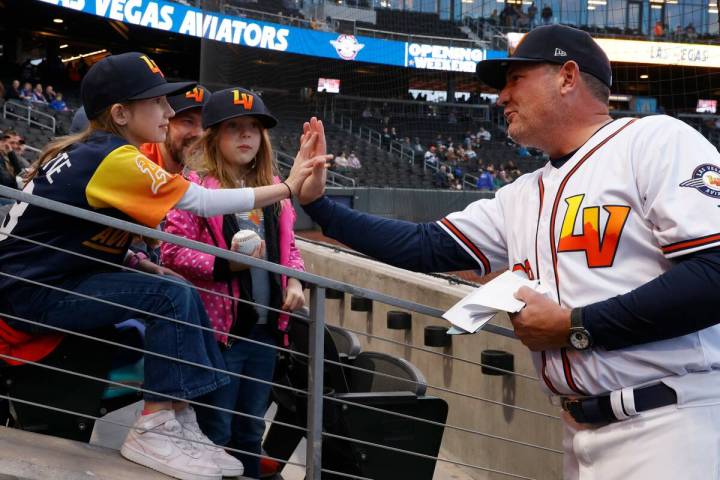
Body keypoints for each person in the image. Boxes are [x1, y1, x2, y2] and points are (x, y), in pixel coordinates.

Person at [295, 25, 720, 479]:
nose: (501, 97)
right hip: (580, 433)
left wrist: (575, 327)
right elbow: (426, 246)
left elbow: (713, 274)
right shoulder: (523, 193)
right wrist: (320, 206)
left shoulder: (654, 141)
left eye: (515, 79)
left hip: (673, 422)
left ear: (568, 76)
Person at [0, 52, 325, 480]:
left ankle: (179, 418)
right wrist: (285, 186)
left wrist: (140, 263)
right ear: (120, 113)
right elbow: (202, 202)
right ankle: (155, 424)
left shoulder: (97, 152)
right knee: (170, 295)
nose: (169, 112)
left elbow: (68, 235)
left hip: (36, 285)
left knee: (172, 289)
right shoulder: (114, 156)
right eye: (158, 103)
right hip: (28, 297)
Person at [162, 87, 309, 479]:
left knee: (249, 430)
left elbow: (289, 248)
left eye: (254, 128)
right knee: (215, 429)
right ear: (214, 136)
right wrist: (228, 265)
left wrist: (294, 280)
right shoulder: (195, 185)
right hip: (218, 336)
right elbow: (172, 253)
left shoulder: (275, 188)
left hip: (264, 332)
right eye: (234, 128)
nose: (246, 136)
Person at [141, 84, 209, 174]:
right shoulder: (138, 163)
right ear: (164, 123)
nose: (199, 134)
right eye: (188, 122)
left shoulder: (212, 170)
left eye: (205, 124)